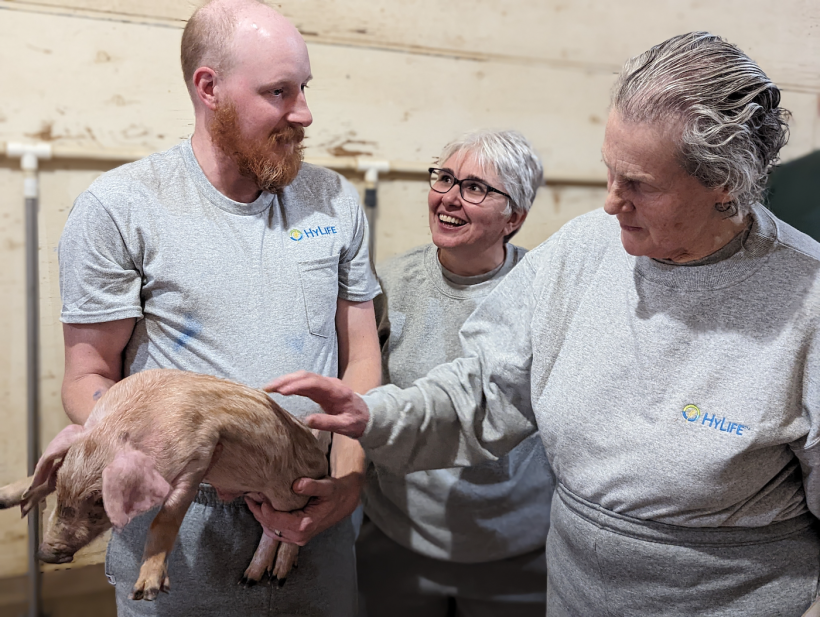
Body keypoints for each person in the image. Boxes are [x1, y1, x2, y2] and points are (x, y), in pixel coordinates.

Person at [267, 32, 820, 617]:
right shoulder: (583, 251)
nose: (611, 202)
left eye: (640, 185)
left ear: (724, 184)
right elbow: (486, 390)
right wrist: (374, 414)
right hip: (574, 596)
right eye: (610, 172)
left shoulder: (805, 300)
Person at [57, 0, 381, 615]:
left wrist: (348, 481)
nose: (304, 113)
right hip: (181, 537)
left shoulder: (333, 201)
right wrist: (177, 461)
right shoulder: (121, 208)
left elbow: (360, 357)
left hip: (318, 526)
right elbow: (88, 378)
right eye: (279, 92)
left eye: (303, 88)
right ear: (209, 88)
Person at [358, 130, 554, 617]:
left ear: (516, 217)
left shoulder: (544, 292)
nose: (449, 198)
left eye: (476, 188)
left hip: (516, 551)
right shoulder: (387, 286)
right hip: (397, 539)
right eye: (445, 178)